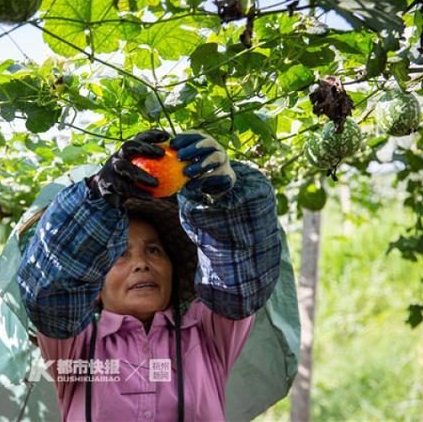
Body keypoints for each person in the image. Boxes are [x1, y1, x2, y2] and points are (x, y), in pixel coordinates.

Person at [17, 129, 282, 421]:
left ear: (173, 267)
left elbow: (238, 277)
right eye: (120, 255)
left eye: (154, 250)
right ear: (93, 281)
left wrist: (221, 200)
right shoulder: (76, 345)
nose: (141, 264)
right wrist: (99, 193)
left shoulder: (206, 331)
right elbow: (53, 287)